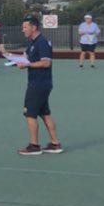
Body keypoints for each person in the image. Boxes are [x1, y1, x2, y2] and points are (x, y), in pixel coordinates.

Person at [16, 16, 62, 155]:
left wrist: (28, 64)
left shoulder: (42, 42)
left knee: (30, 114)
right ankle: (55, 144)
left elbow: (46, 62)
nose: (23, 30)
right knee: (45, 113)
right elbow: (23, 58)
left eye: (25, 27)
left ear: (33, 27)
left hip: (39, 84)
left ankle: (34, 146)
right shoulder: (32, 42)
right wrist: (5, 53)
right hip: (40, 83)